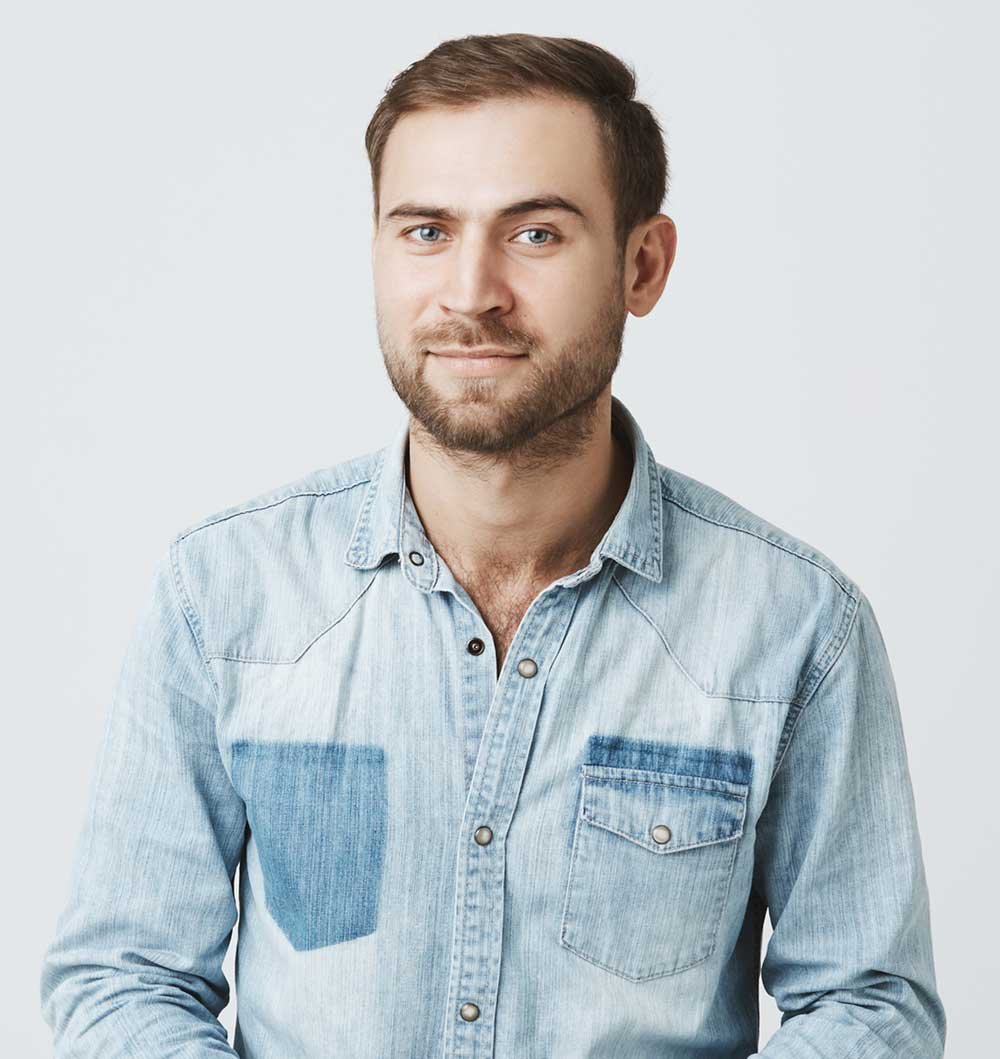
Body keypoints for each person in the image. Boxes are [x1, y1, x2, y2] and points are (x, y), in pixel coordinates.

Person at [39, 31, 946, 1058]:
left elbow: (869, 1005)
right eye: (426, 231)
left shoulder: (795, 626)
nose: (470, 292)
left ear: (641, 264)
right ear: (377, 250)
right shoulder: (225, 595)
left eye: (537, 234)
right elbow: (124, 979)